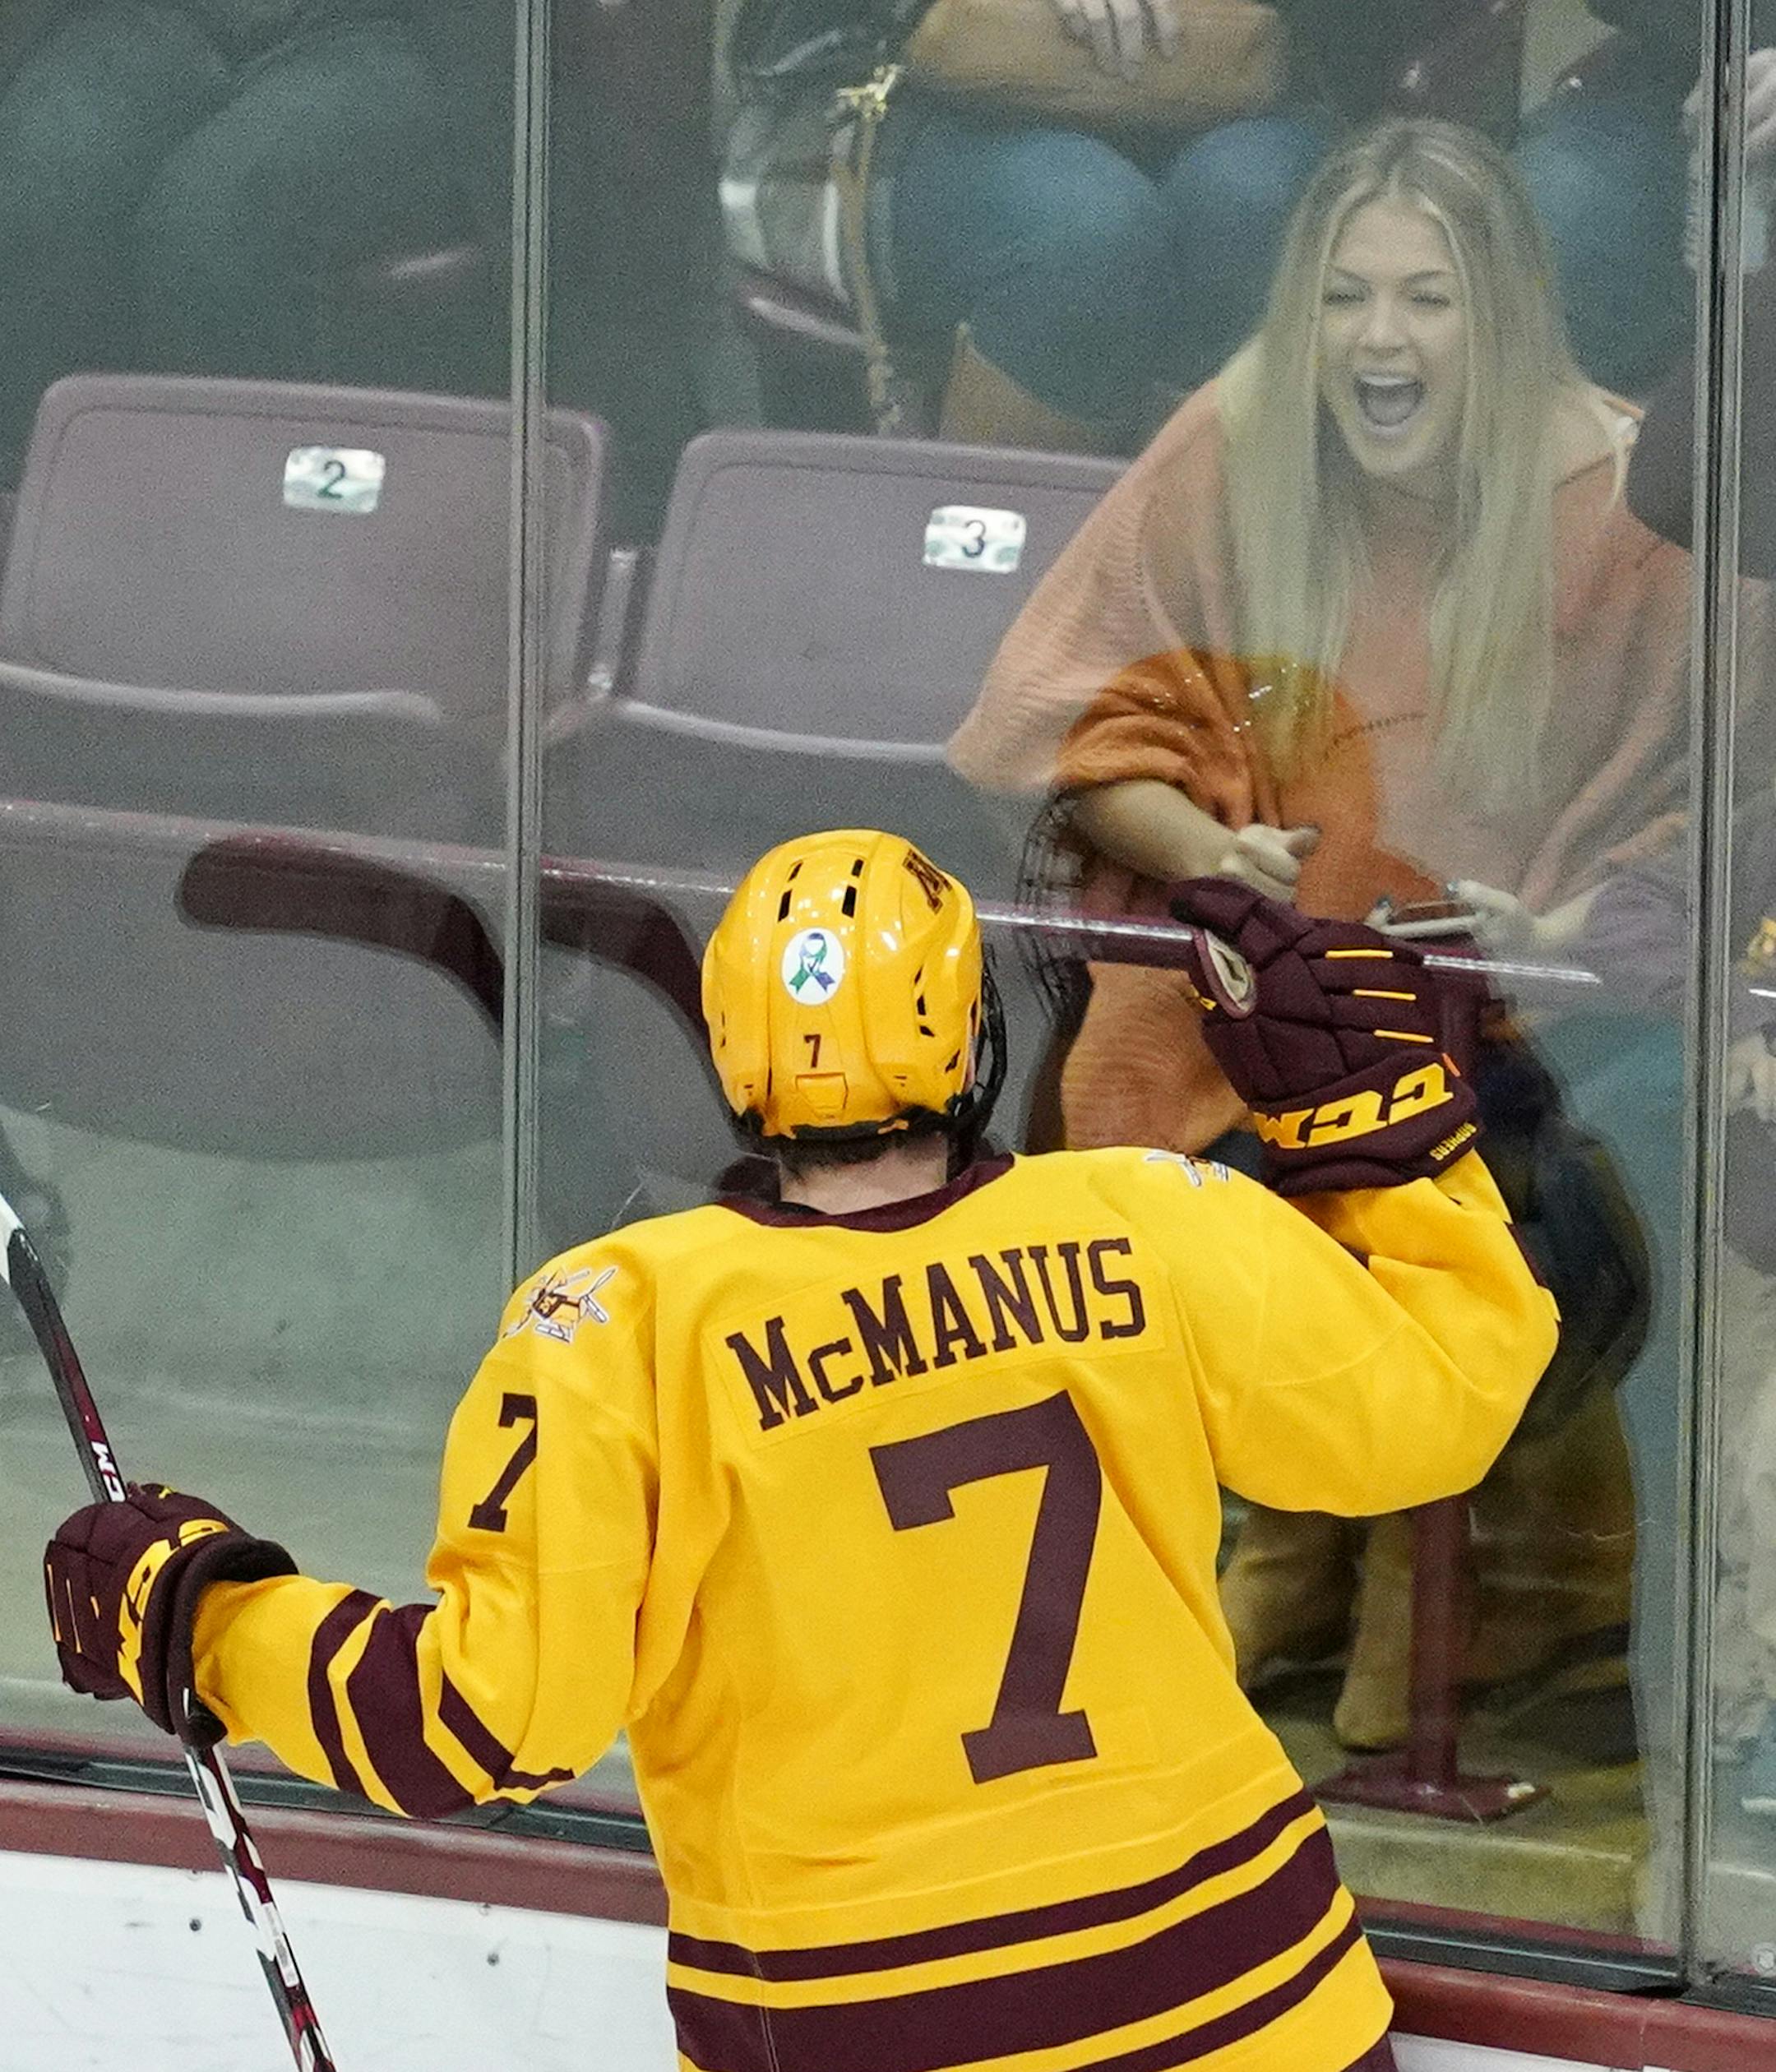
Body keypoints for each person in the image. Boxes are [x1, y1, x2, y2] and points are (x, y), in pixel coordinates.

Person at [41, 828, 1556, 2072]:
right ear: (974, 1032)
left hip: (864, 2020)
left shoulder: (619, 1324)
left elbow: (478, 1727)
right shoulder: (1149, 1217)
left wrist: (200, 1619)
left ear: (730, 1053)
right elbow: (1436, 1411)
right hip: (1255, 1997)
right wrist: (1384, 1136)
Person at [948, 114, 1695, 1751]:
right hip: (1272, 997)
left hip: (1536, 1018)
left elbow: (1717, 811)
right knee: (1184, 1130)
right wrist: (1216, 849)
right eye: (1346, 297)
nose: (1378, 341)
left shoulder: (1642, 495)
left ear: (1505, 318)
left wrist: (1563, 927)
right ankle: (1294, 1547)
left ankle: (1465, 1576)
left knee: (1490, 1163)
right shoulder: (1241, 435)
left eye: (1426, 299)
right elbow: (1062, 719)